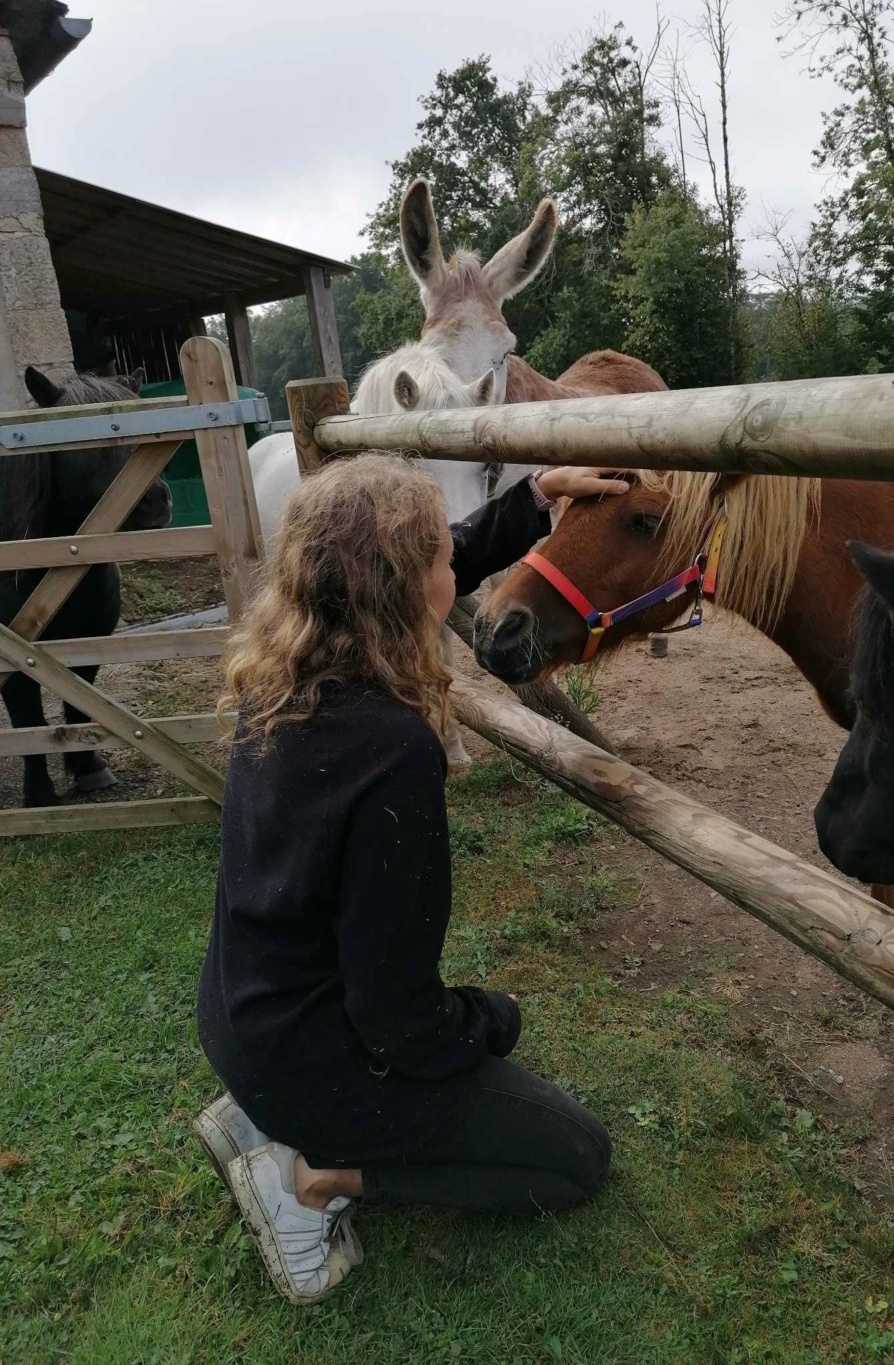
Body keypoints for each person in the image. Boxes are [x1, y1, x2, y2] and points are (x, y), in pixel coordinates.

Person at [194, 456, 631, 1305]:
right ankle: (316, 1179)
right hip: (315, 1062)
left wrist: (539, 496)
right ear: (397, 588)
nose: (458, 573)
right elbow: (397, 1020)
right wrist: (489, 1020)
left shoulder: (280, 678)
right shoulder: (392, 752)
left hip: (240, 1020)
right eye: (439, 560)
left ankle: (255, 1115)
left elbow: (454, 550)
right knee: (574, 1154)